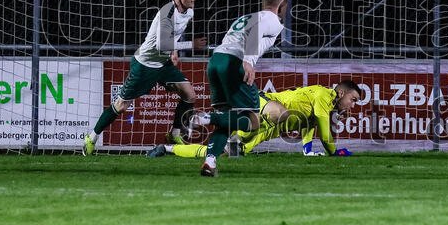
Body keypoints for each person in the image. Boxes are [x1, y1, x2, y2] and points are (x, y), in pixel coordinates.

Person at [83, 0, 207, 155]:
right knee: (121, 105)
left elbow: (173, 36)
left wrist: (174, 52)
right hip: (145, 64)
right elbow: (162, 44)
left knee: (189, 95)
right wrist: (191, 44)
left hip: (163, 64)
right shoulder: (167, 13)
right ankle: (92, 137)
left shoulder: (189, 13)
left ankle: (174, 134)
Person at [191, 0, 288, 176]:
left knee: (226, 121)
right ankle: (206, 118)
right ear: (281, 6)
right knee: (254, 122)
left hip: (216, 61)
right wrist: (248, 61)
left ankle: (210, 162)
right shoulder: (272, 20)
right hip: (235, 63)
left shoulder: (246, 17)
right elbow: (255, 32)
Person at [147, 81, 360, 158]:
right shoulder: (324, 95)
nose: (353, 105)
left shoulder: (323, 106)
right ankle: (211, 117)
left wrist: (307, 149)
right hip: (264, 104)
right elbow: (325, 133)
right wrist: (334, 152)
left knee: (222, 152)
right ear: (341, 93)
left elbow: (310, 124)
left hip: (263, 130)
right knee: (281, 113)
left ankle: (167, 149)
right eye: (353, 99)